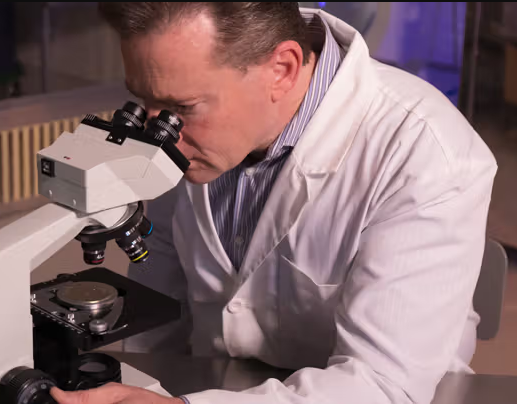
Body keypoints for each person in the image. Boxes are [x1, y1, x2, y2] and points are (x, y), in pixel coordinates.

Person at [49, 3, 498, 404]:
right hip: (215, 383)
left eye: (182, 108)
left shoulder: (425, 154)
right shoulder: (188, 133)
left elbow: (382, 386)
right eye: (145, 102)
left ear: (282, 69)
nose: (161, 134)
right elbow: (159, 309)